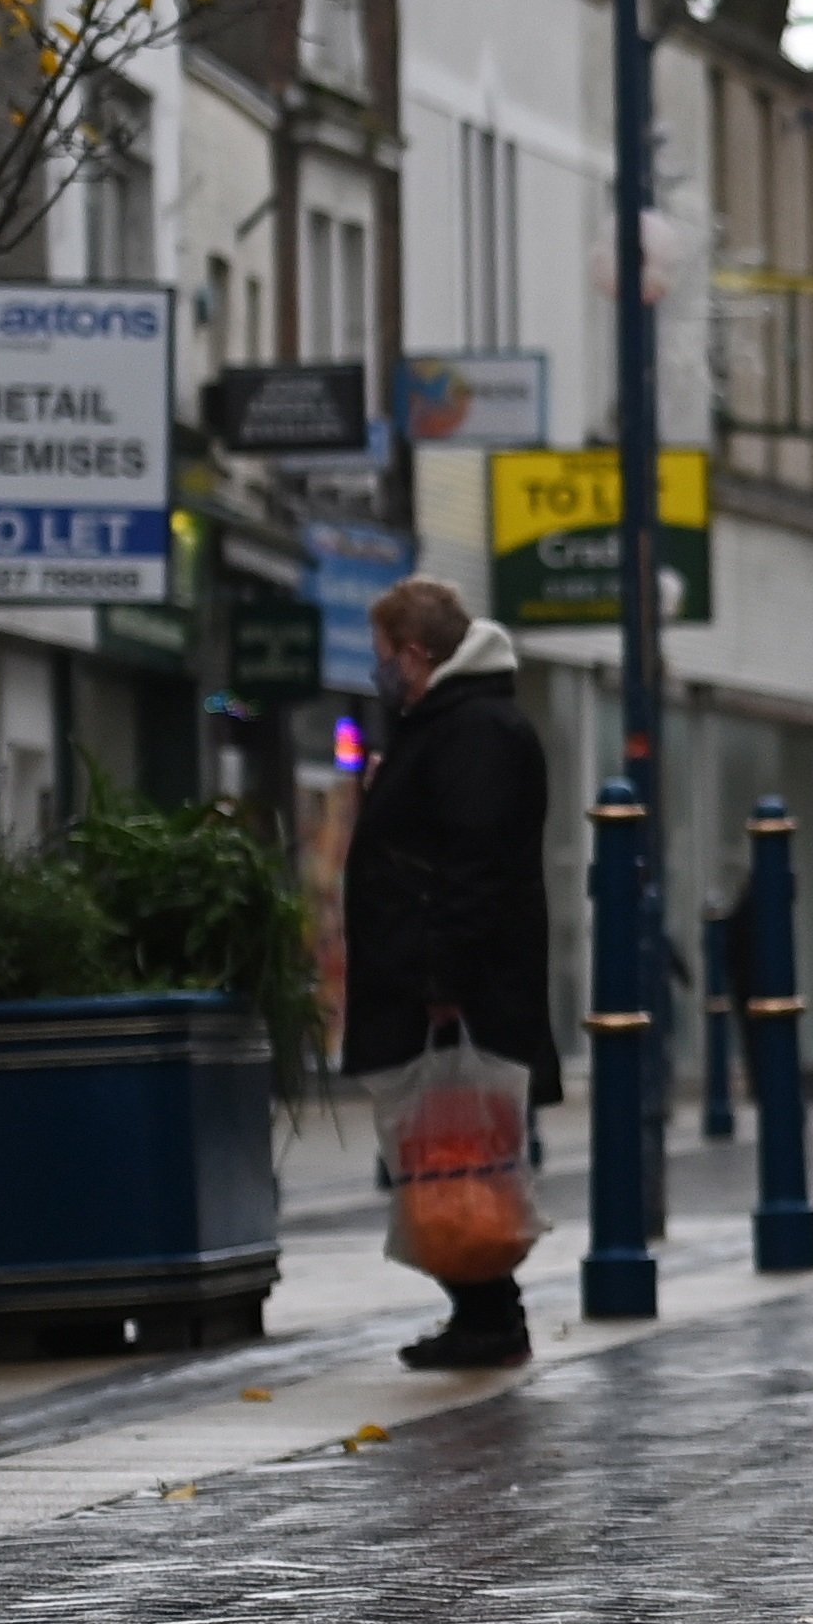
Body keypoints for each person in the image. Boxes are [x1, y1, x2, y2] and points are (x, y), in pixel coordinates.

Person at [345, 577, 560, 1370]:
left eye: (382, 657)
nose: (379, 673)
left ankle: (489, 1312)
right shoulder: (451, 724)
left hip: (454, 989)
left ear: (415, 652)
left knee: (460, 1152)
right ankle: (483, 1308)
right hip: (441, 978)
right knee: (450, 1152)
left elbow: (472, 865)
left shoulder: (472, 731)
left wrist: (443, 981)